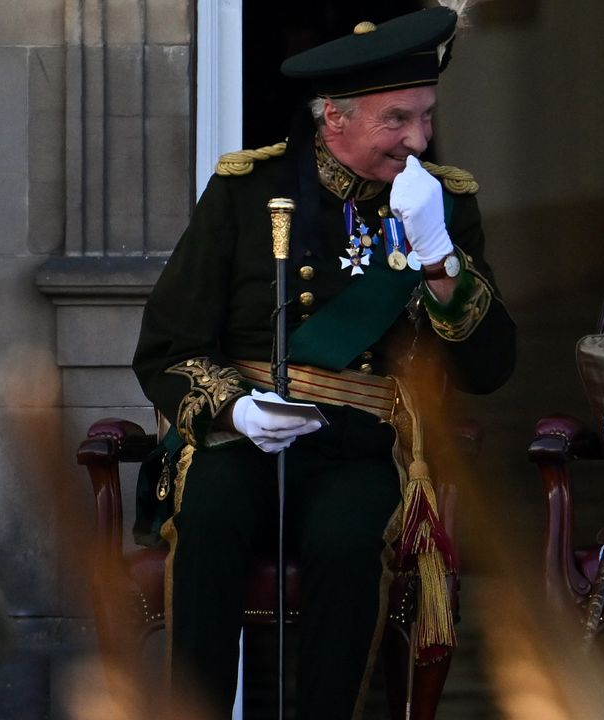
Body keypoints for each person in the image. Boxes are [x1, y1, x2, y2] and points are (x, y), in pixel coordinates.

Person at [131, 6, 515, 718]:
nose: (418, 140)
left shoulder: (444, 204)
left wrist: (438, 260)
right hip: (243, 433)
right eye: (397, 120)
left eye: (426, 117)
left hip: (359, 447)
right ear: (333, 117)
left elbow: (489, 368)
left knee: (346, 542)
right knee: (210, 519)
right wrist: (234, 407)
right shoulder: (248, 190)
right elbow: (167, 342)